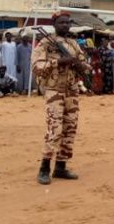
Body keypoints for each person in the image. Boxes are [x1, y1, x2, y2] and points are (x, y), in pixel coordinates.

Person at [31, 12, 89, 185]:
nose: (65, 25)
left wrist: (78, 65)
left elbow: (85, 66)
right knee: (55, 129)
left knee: (70, 128)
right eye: (61, 22)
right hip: (54, 90)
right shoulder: (45, 43)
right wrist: (58, 62)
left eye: (67, 22)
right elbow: (36, 67)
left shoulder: (73, 44)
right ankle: (44, 167)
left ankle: (61, 166)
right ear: (54, 24)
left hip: (71, 91)